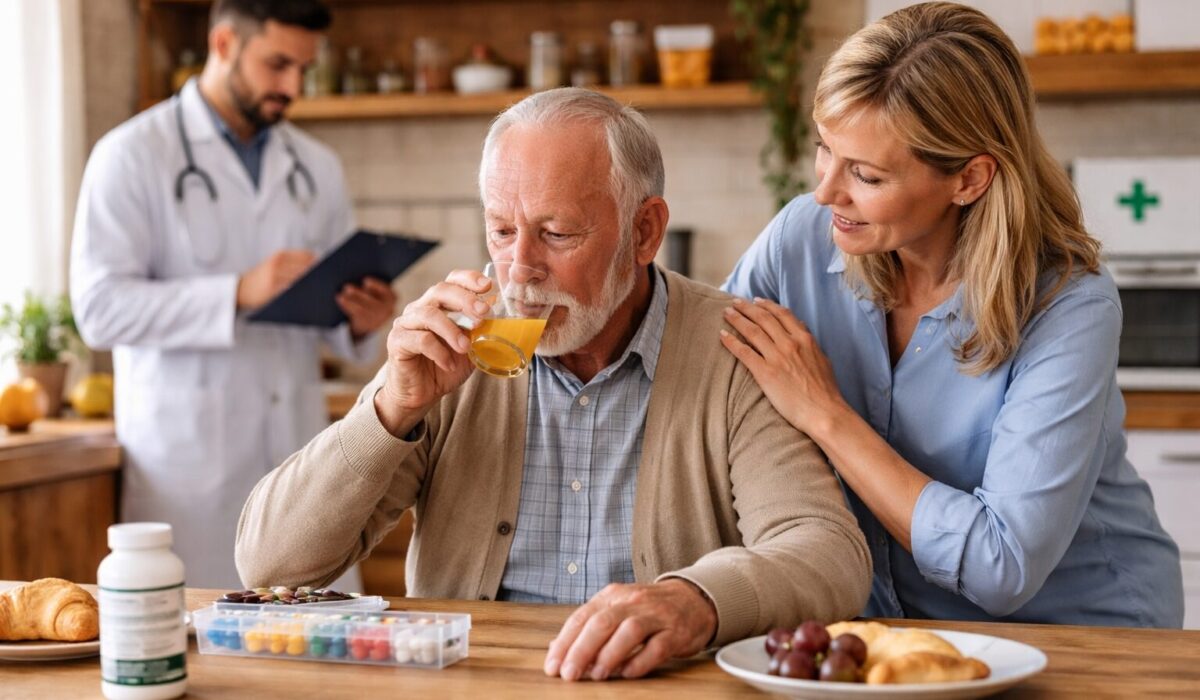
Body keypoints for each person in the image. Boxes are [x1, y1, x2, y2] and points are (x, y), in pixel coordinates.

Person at [236, 88, 872, 681]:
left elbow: (828, 554)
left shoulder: (732, 349)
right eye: (502, 230)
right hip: (475, 686)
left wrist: (695, 600)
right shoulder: (456, 346)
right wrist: (389, 410)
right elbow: (270, 567)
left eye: (557, 233)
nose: (520, 270)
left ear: (645, 232)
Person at [721, 2, 1183, 627]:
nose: (827, 189)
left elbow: (1003, 565)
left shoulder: (1069, 303)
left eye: (866, 174)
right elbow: (708, 383)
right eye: (823, 149)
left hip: (1080, 636)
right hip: (892, 631)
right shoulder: (802, 237)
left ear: (969, 179)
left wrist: (823, 413)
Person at [70, 0, 396, 589]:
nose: (292, 86)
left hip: (301, 470)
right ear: (224, 45)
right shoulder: (132, 155)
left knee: (322, 659)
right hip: (189, 472)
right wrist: (235, 293)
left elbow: (334, 321)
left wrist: (358, 320)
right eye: (277, 65)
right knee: (204, 660)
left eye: (304, 68)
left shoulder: (314, 166)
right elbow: (97, 308)